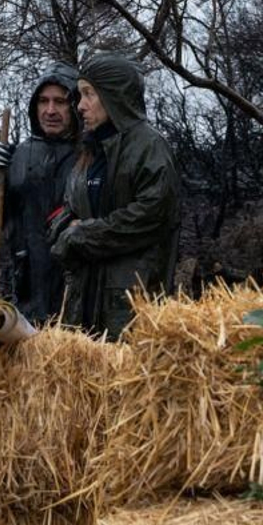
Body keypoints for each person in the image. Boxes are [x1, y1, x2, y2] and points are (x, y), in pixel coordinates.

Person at [48, 53, 180, 338]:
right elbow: (68, 210)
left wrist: (81, 234)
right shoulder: (90, 150)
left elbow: (150, 216)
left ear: (114, 96)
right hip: (82, 303)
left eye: (89, 94)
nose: (80, 106)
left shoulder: (149, 146)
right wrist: (65, 228)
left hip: (128, 307)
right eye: (80, 95)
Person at [0, 65, 79, 323]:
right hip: (27, 286)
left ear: (75, 106)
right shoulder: (17, 156)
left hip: (76, 287)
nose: (50, 110)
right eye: (43, 101)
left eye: (60, 102)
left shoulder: (90, 155)